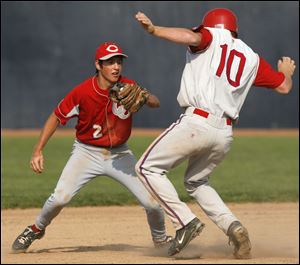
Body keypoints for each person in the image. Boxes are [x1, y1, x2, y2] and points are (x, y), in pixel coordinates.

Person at [135, 8, 296, 258]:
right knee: (196, 182)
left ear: (210, 27)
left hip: (197, 122)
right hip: (224, 133)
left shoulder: (211, 36)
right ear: (235, 30)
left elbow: (191, 37)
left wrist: (155, 30)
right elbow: (284, 87)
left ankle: (185, 222)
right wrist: (286, 70)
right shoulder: (250, 56)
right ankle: (234, 227)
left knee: (146, 168)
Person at [11, 41, 172, 253]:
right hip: (86, 153)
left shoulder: (129, 86)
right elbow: (56, 117)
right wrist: (37, 150)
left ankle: (160, 242)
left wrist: (144, 97)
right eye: (110, 62)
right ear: (98, 65)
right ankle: (36, 228)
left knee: (152, 203)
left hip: (120, 155)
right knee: (60, 199)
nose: (116, 67)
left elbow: (156, 102)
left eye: (119, 62)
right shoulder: (83, 92)